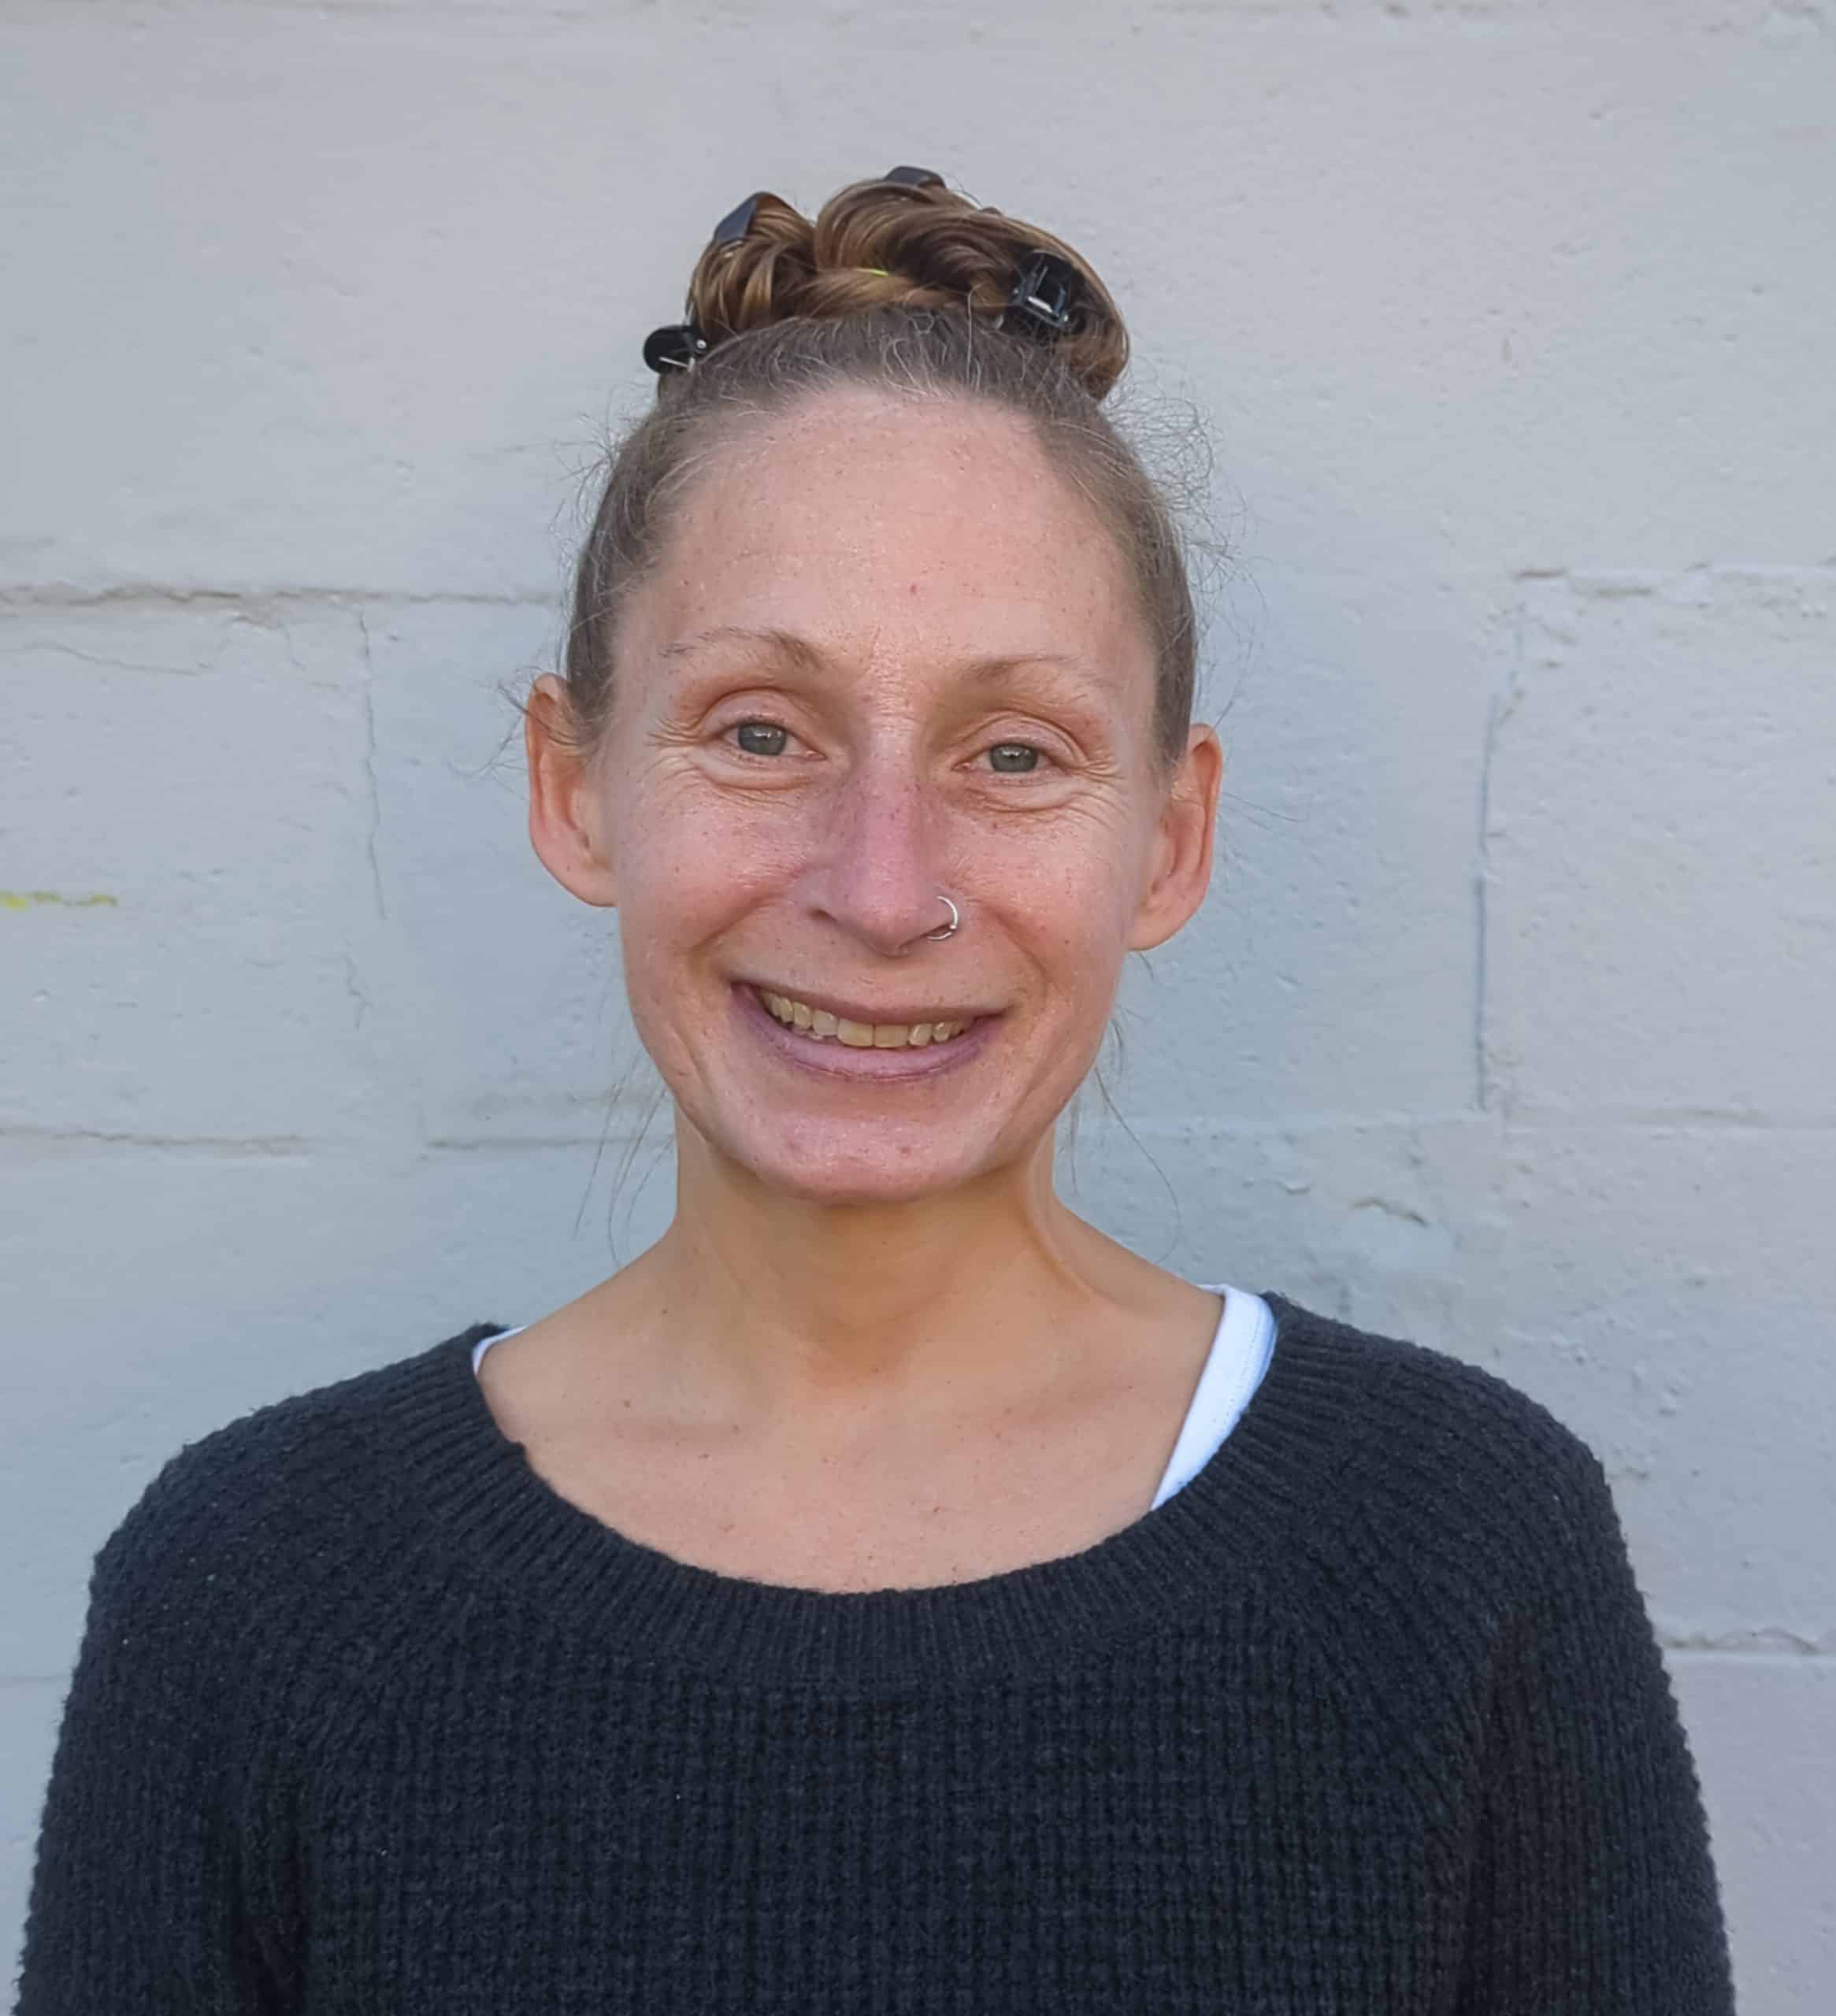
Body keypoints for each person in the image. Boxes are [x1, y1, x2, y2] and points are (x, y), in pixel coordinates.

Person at [15, 166, 1735, 2013]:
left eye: (1013, 751)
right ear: (575, 782)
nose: (882, 886)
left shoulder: (1458, 1548)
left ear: (1167, 840)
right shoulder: (259, 1591)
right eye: (760, 729)